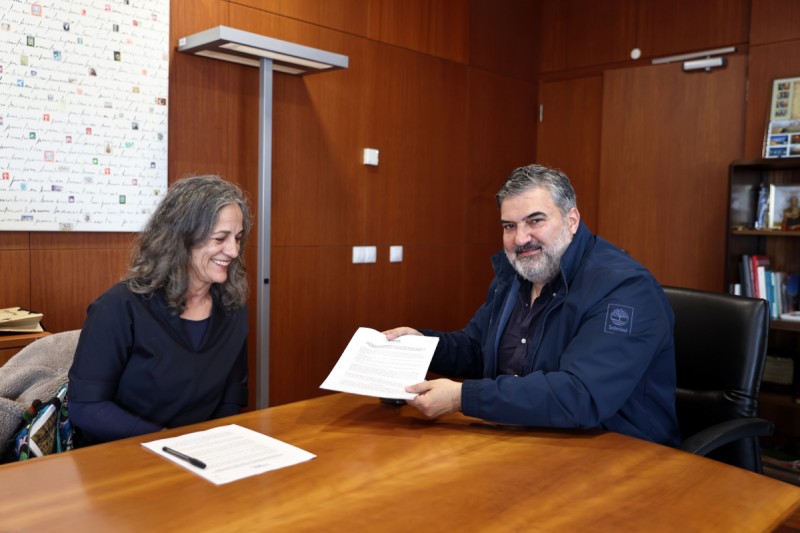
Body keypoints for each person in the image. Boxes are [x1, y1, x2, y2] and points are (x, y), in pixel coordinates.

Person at [384, 164, 680, 446]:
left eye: (535, 221)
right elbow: (477, 349)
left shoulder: (626, 289)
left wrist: (462, 397)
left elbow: (580, 395)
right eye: (509, 226)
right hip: (526, 437)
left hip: (619, 451)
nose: (520, 238)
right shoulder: (516, 276)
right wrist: (421, 346)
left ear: (572, 220)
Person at [67, 175, 251, 445]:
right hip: (120, 454)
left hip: (198, 455)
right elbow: (85, 407)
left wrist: (214, 447)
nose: (233, 251)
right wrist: (168, 442)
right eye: (220, 238)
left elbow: (230, 400)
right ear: (181, 238)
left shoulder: (233, 309)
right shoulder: (118, 307)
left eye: (238, 238)